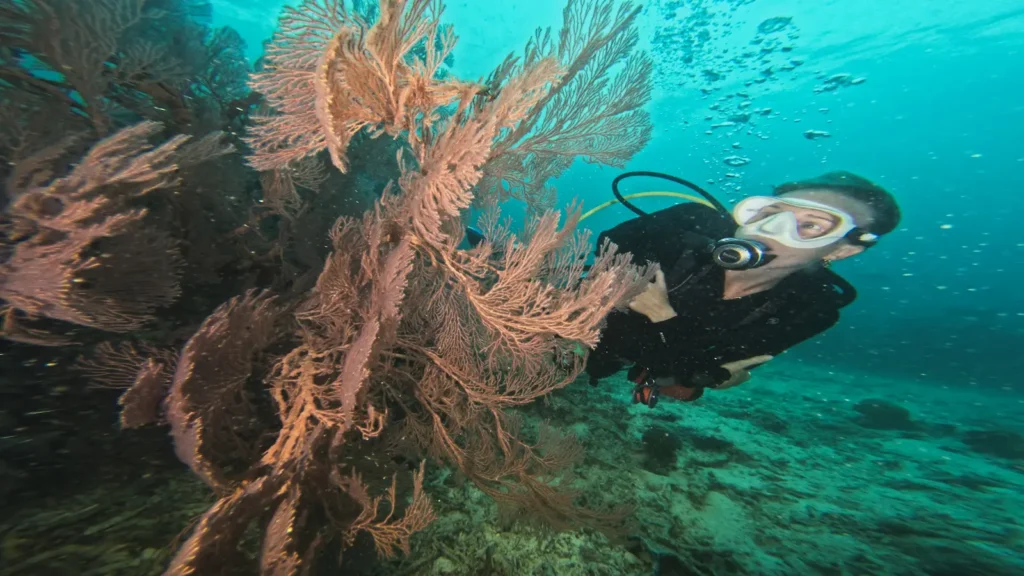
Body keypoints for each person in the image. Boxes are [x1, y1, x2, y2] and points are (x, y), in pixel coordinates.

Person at [585, 171, 901, 407]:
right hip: (585, 325)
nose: (774, 231)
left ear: (842, 250)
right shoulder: (690, 225)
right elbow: (611, 248)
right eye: (772, 214)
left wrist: (664, 317)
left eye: (810, 225)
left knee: (678, 384)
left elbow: (707, 372)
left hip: (641, 358)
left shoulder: (811, 308)